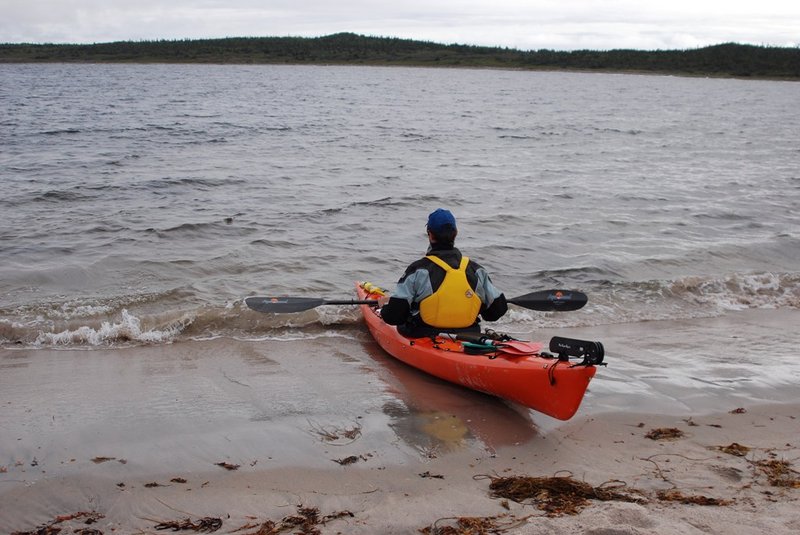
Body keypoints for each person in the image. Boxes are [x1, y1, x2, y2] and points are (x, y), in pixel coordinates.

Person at [379, 208, 508, 337]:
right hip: (468, 334)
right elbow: (496, 312)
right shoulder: (476, 270)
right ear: (456, 233)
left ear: (430, 234)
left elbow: (394, 317)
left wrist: (385, 308)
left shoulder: (417, 270)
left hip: (424, 334)